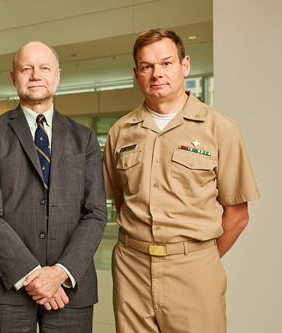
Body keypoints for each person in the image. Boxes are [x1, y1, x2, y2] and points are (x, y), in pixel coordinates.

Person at [103, 28, 260, 332]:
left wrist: (198, 259)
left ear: (184, 65)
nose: (156, 73)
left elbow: (238, 217)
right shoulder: (120, 132)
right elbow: (121, 200)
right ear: (137, 73)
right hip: (131, 268)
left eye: (166, 63)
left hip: (194, 270)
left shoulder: (221, 129)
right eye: (147, 66)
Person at [0, 41, 107, 332]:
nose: (35, 75)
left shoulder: (85, 138)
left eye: (44, 68)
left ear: (57, 75)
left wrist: (60, 273)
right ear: (13, 77)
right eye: (26, 68)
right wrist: (33, 275)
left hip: (70, 287)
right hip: (3, 286)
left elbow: (95, 213)